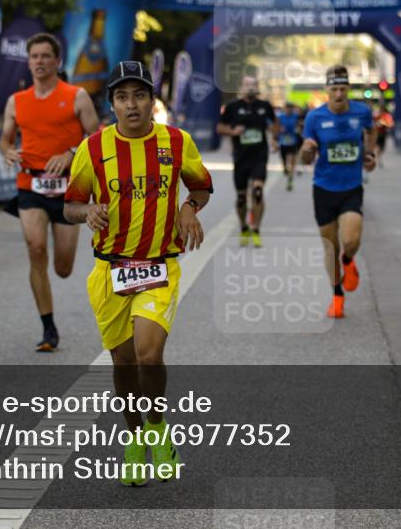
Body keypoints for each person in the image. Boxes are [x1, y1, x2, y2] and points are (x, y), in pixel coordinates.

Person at [64, 60, 212, 486]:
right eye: (122, 97)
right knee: (125, 364)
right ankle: (134, 438)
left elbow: (201, 186)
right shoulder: (93, 149)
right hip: (110, 270)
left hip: (158, 265)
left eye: (140, 96)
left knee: (149, 355)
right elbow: (70, 205)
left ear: (152, 101)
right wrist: (87, 211)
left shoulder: (176, 142)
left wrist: (189, 208)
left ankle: (157, 430)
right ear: (112, 104)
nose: (132, 105)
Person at [0, 33, 100, 352]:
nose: (39, 61)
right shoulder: (17, 101)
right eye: (34, 56)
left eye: (45, 56)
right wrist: (7, 151)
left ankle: (55, 298)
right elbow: (5, 138)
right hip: (30, 185)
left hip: (69, 188)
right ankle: (48, 328)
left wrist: (71, 153)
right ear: (28, 62)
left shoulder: (77, 96)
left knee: (63, 268)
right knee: (36, 249)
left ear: (57, 61)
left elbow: (96, 137)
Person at [299, 65, 376, 319]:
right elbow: (306, 156)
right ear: (327, 90)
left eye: (343, 89)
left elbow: (371, 130)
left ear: (348, 88)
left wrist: (370, 153)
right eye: (334, 89)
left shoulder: (362, 112)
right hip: (323, 188)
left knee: (351, 241)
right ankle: (337, 296)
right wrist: (307, 151)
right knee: (330, 247)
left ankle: (348, 261)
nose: (339, 94)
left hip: (351, 187)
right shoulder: (315, 118)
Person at [216, 73, 276, 247]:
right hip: (241, 158)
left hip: (259, 156)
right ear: (241, 87)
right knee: (241, 198)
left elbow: (275, 124)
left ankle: (256, 228)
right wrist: (233, 132)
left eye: (253, 84)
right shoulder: (232, 107)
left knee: (257, 192)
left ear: (257, 87)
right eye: (247, 84)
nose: (251, 87)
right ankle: (244, 226)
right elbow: (219, 128)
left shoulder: (265, 106)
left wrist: (274, 138)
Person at [276, 101, 301, 190]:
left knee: (291, 160)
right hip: (283, 141)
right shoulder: (280, 117)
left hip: (293, 141)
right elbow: (276, 127)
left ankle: (290, 178)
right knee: (284, 160)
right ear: (284, 109)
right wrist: (279, 131)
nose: (289, 110)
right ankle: (285, 168)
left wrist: (298, 129)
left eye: (290, 108)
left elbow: (300, 125)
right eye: (287, 108)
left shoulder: (296, 116)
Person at [372, 101, 394, 167]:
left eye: (382, 108)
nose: (381, 109)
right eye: (380, 108)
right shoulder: (376, 115)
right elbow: (372, 122)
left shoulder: (387, 115)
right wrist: (376, 124)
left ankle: (379, 156)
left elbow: (390, 124)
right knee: (378, 147)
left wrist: (385, 124)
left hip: (383, 134)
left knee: (383, 148)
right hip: (377, 134)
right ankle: (379, 159)